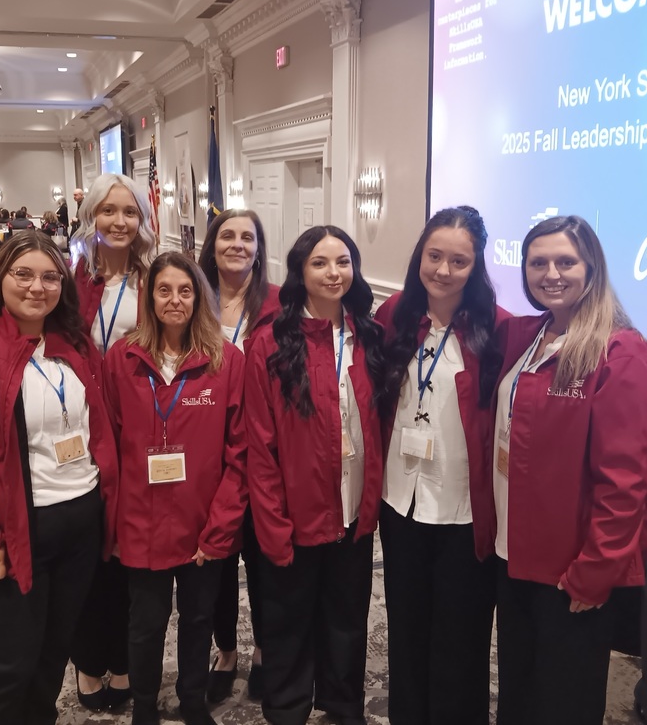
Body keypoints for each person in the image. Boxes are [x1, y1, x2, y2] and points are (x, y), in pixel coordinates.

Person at [0, 230, 119, 725]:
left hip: (77, 524)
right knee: (9, 665)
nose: (38, 287)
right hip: (7, 534)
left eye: (50, 277)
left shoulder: (73, 345)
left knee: (52, 655)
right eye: (23, 274)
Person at [492, 215, 647, 725]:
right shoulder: (533, 336)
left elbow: (626, 481)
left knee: (563, 701)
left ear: (592, 267)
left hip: (571, 569)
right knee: (519, 689)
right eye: (538, 262)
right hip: (515, 553)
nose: (551, 273)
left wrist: (594, 573)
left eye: (566, 261)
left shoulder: (620, 351)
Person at [245, 225, 385, 725]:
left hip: (352, 512)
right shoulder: (269, 342)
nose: (333, 272)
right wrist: (272, 523)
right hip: (294, 516)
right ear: (300, 271)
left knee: (347, 620)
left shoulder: (368, 336)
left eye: (343, 261)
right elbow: (258, 444)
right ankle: (287, 708)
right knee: (288, 623)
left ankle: (343, 705)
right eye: (320, 263)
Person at [103, 251, 247, 725]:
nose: (174, 300)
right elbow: (107, 442)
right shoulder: (121, 359)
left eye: (185, 291)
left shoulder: (226, 361)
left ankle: (191, 701)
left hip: (201, 522)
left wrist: (221, 526)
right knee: (144, 625)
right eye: (164, 290)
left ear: (199, 298)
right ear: (150, 298)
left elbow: (238, 453)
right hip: (139, 522)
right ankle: (144, 706)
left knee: (197, 621)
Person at [375, 206, 505, 725]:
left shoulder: (499, 330)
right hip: (400, 498)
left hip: (462, 509)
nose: (444, 270)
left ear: (476, 267)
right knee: (406, 627)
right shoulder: (394, 318)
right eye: (435, 256)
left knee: (462, 636)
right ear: (419, 256)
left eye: (459, 260)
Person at [68, 172, 157, 712]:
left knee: (129, 554)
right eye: (109, 211)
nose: (119, 222)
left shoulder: (153, 278)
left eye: (129, 212)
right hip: (78, 427)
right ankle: (87, 660)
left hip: (137, 428)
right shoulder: (69, 276)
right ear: (92, 218)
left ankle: (123, 659)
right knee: (87, 552)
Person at [197, 208, 280, 703]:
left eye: (247, 237)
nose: (237, 244)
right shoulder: (192, 296)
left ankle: (265, 652)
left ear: (258, 248)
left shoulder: (277, 301)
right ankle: (225, 651)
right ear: (213, 244)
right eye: (227, 235)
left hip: (267, 450)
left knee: (267, 562)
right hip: (211, 451)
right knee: (217, 565)